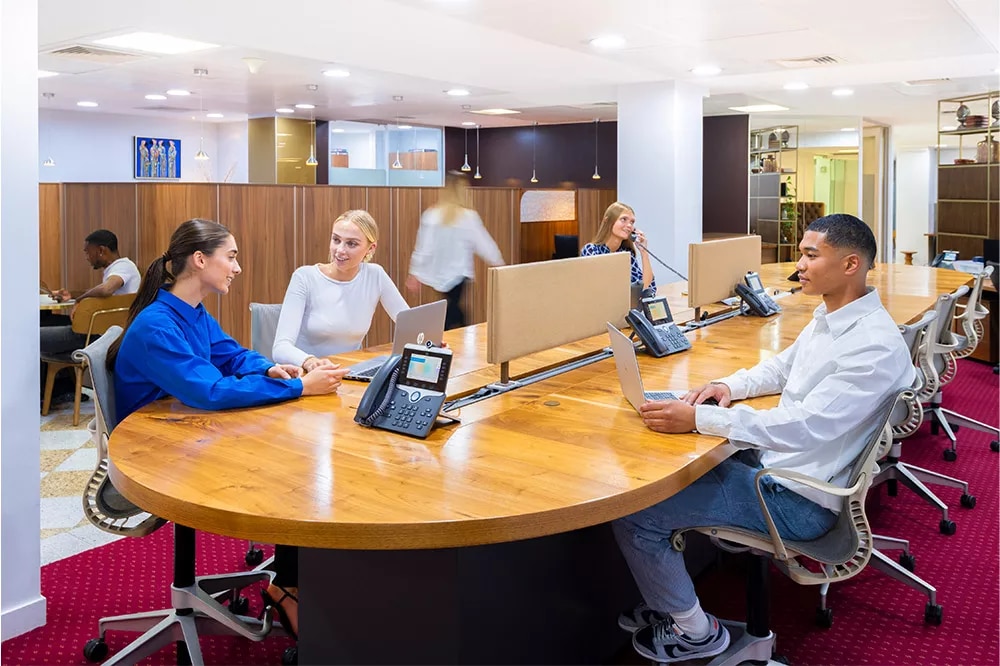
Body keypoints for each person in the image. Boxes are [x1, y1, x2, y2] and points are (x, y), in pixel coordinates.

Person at [612, 214, 914, 663]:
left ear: (851, 264)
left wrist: (700, 419)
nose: (800, 264)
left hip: (798, 499)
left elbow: (802, 426)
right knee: (670, 466)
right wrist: (727, 388)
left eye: (812, 255)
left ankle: (694, 631)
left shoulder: (872, 346)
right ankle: (668, 600)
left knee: (636, 511)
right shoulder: (835, 318)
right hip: (780, 467)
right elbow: (781, 368)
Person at [109, 218, 347, 640]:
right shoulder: (156, 325)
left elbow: (233, 356)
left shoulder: (191, 312)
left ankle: (293, 578)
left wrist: (270, 368)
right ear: (200, 260)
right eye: (231, 256)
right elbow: (211, 392)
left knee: (300, 457)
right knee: (293, 472)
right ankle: (287, 585)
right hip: (160, 456)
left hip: (189, 433)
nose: (237, 267)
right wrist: (296, 388)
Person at [272, 209, 409, 372]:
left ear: (371, 248)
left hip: (350, 373)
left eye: (351, 244)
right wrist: (309, 361)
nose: (340, 250)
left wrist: (428, 340)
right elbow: (280, 347)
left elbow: (409, 323)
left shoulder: (375, 275)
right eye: (336, 240)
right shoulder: (305, 277)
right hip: (306, 375)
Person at [405, 172, 505, 330]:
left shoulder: (431, 215)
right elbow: (484, 244)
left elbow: (424, 247)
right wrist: (499, 263)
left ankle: (453, 340)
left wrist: (415, 272)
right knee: (453, 314)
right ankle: (460, 340)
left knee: (449, 313)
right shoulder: (468, 217)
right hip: (459, 276)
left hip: (437, 276)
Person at [42, 229, 141, 355]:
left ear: (101, 250)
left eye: (88, 253)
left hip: (97, 336)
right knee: (46, 324)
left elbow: (106, 289)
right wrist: (71, 295)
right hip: (100, 332)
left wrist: (80, 300)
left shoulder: (123, 267)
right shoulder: (118, 268)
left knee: (32, 336)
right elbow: (99, 290)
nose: (87, 258)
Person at [580, 201, 655, 294]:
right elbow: (601, 289)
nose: (629, 225)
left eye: (632, 222)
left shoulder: (626, 254)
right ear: (607, 221)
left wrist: (644, 252)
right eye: (624, 219)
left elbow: (648, 288)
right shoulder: (591, 250)